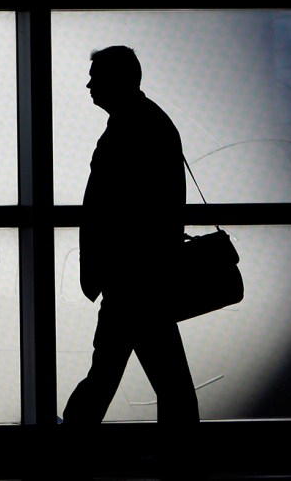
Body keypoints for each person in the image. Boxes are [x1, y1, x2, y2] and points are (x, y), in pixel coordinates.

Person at [62, 46, 200, 441]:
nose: (89, 84)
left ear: (117, 80)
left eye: (96, 76)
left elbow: (112, 210)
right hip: (143, 279)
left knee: (108, 376)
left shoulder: (130, 129)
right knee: (163, 381)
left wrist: (108, 270)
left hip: (132, 282)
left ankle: (68, 448)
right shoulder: (149, 122)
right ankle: (179, 456)